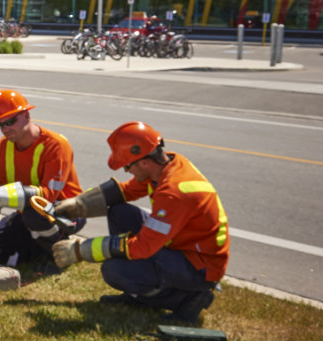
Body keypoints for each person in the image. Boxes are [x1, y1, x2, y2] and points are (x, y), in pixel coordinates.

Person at [51, 122, 229, 323]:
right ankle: (137, 296)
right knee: (119, 212)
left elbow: (143, 247)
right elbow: (127, 190)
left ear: (143, 162)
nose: (126, 171)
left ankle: (188, 299)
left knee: (115, 270)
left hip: (200, 266)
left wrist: (81, 250)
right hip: (181, 245)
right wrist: (79, 203)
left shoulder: (174, 192)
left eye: (127, 165)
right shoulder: (167, 164)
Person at [0, 89, 83, 269]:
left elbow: (48, 196)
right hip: (27, 212)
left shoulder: (56, 145)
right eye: (0, 124)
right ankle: (33, 247)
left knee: (34, 216)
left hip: (68, 211)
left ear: (26, 116)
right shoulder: (3, 146)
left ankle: (56, 252)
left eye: (10, 121)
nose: (6, 129)